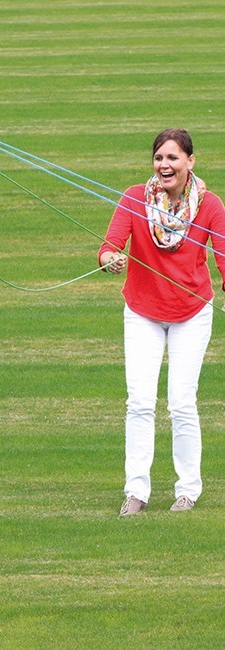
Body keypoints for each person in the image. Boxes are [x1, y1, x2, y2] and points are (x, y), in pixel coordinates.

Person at [98, 128, 225, 516]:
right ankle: (136, 491)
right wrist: (110, 260)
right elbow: (109, 246)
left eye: (173, 158)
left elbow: (223, 255)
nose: (164, 165)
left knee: (182, 403)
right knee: (139, 401)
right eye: (159, 158)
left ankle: (187, 490)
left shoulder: (209, 205)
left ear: (190, 161)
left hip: (191, 312)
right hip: (142, 312)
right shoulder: (136, 197)